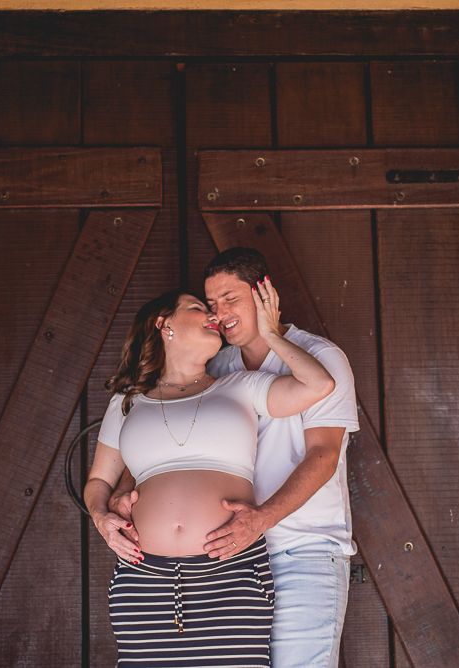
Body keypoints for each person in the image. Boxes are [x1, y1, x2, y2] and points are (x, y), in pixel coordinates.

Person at [112, 248, 360, 668]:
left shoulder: (321, 355)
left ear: (265, 294)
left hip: (301, 550)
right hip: (234, 560)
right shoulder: (218, 364)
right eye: (211, 304)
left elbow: (323, 456)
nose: (219, 313)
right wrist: (124, 492)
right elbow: (163, 443)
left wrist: (260, 520)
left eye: (231, 299)